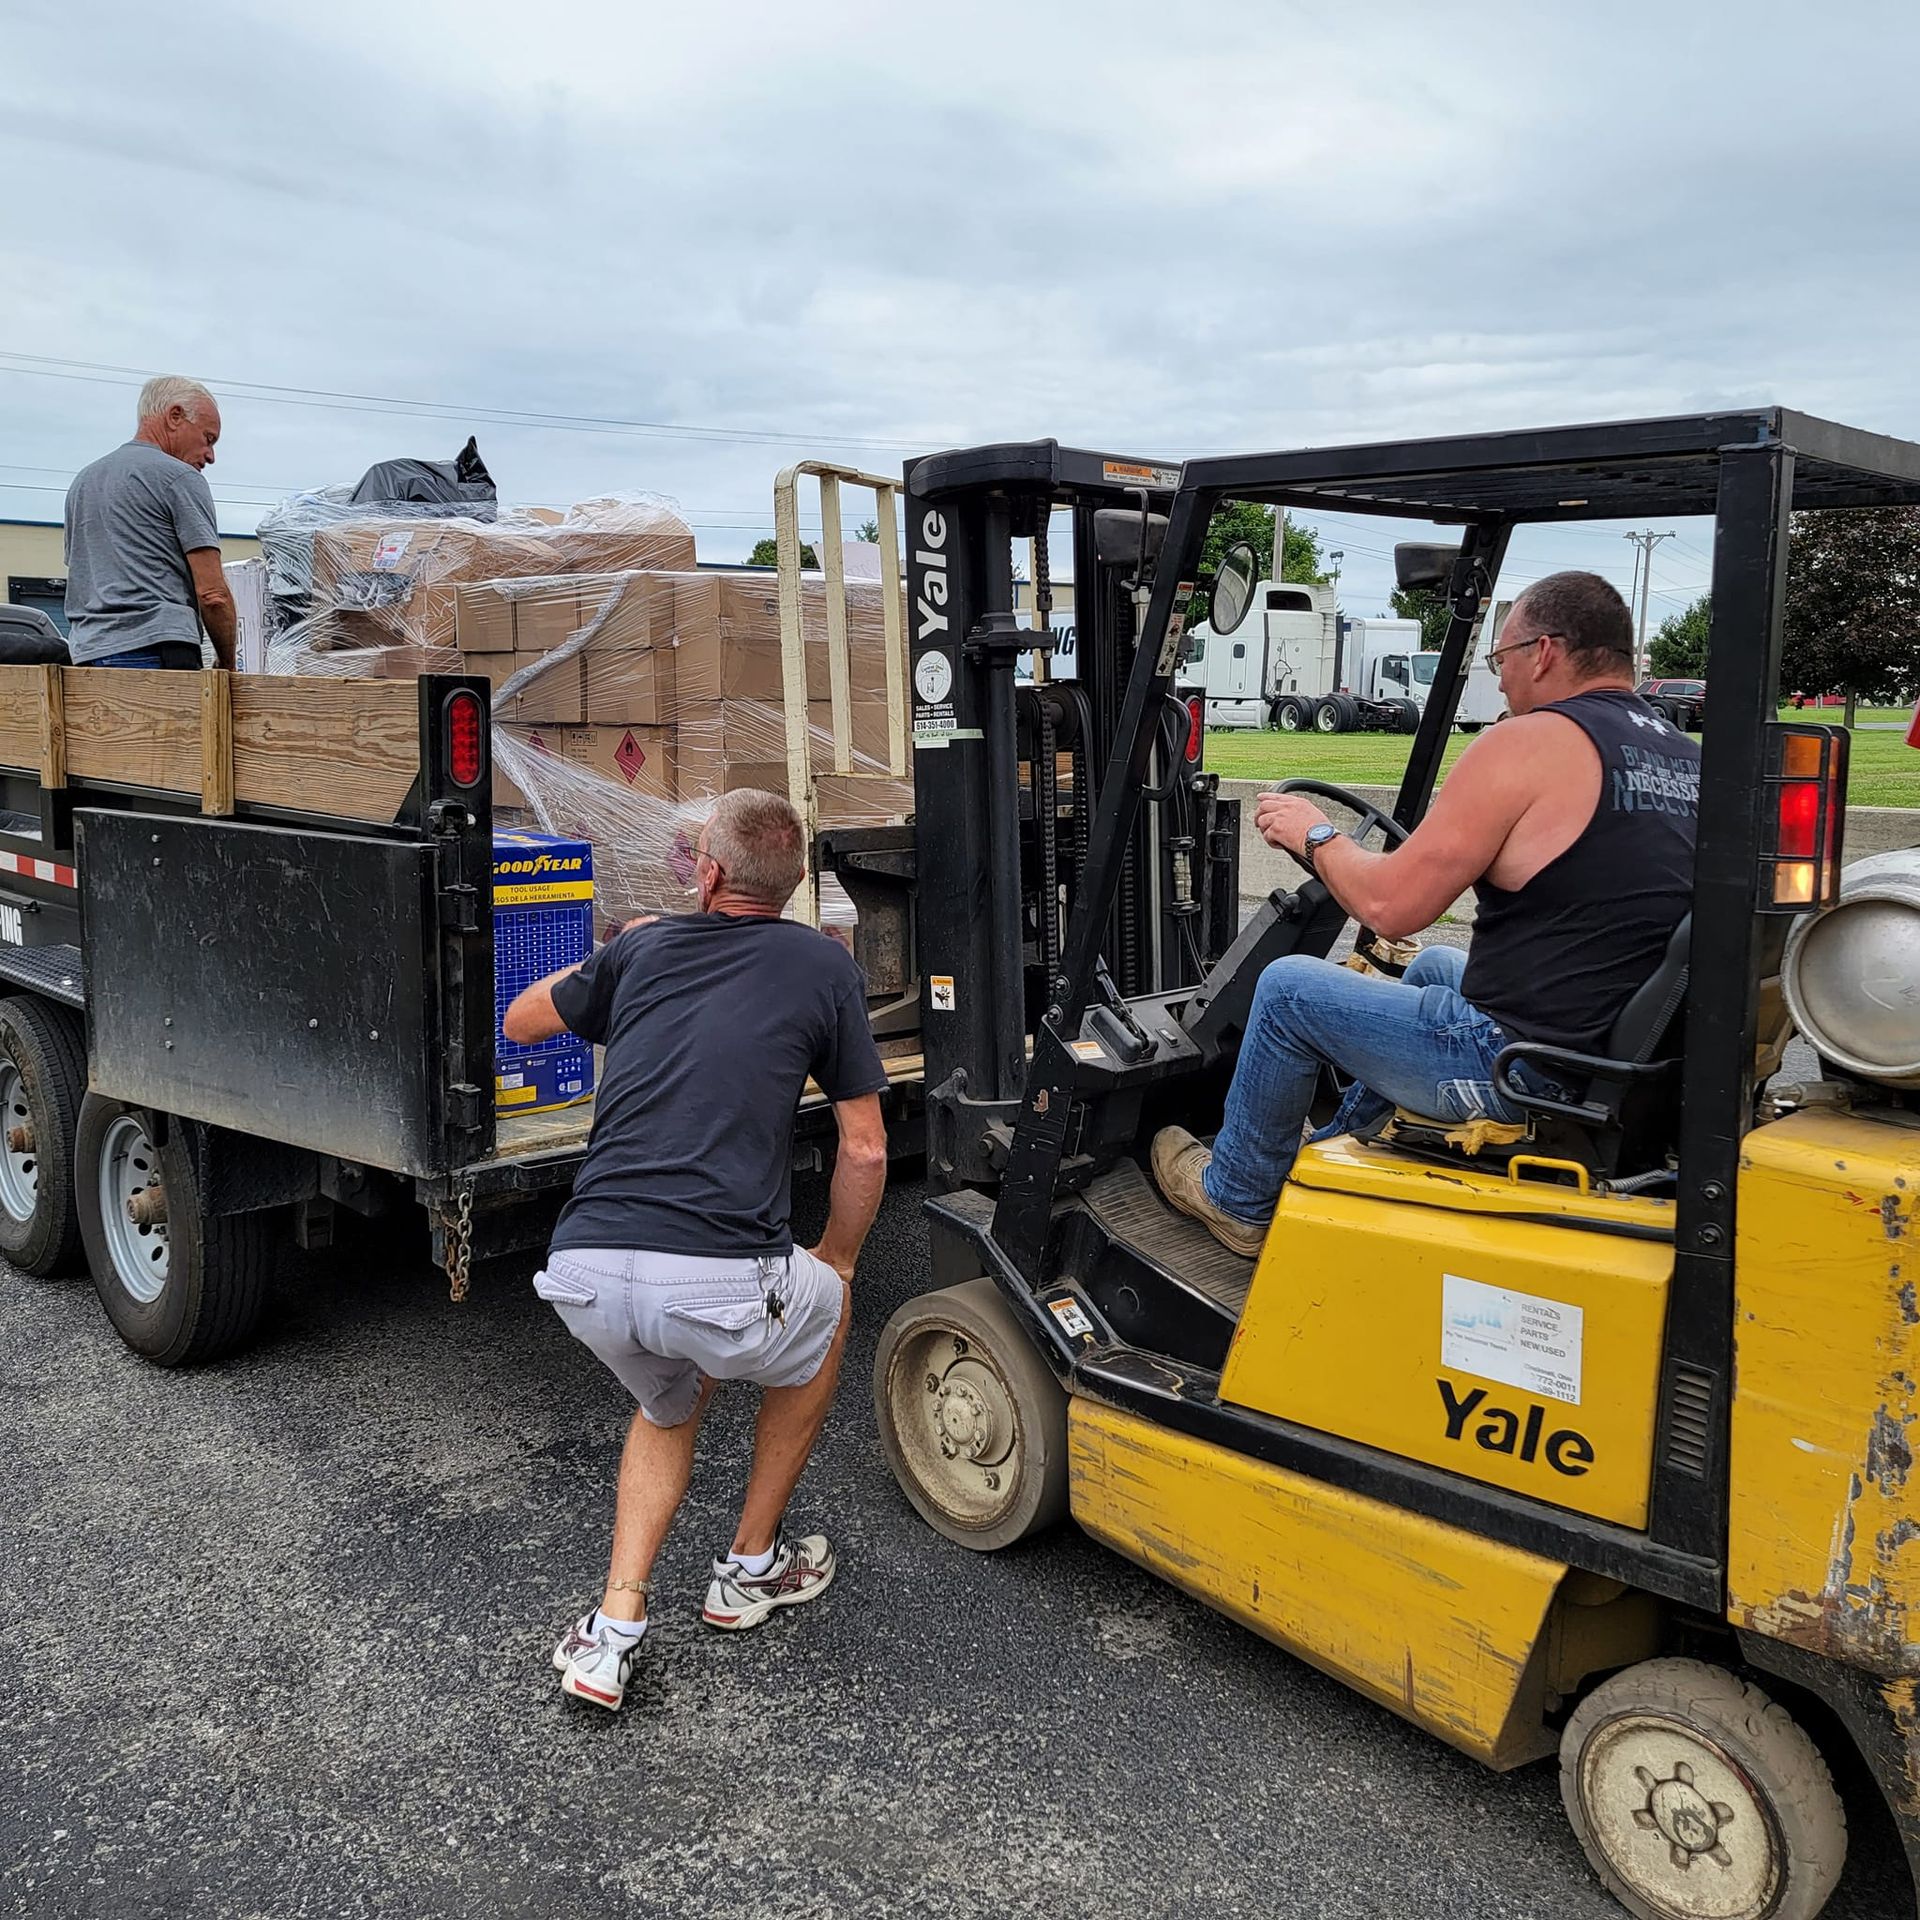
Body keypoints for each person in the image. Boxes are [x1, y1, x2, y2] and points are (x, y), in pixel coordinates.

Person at [1152, 570, 1700, 1255]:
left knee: (1288, 990)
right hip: (1606, 1050)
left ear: (1546, 652)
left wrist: (1314, 835)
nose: (1499, 679)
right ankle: (1337, 1144)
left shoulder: (1528, 744)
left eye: (1502, 659)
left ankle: (1238, 1195)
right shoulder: (1680, 755)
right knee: (1439, 966)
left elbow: (1390, 906)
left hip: (1519, 1067)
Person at [502, 789, 890, 1711]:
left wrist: (622, 951)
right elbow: (867, 1148)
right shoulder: (821, 965)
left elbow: (520, 1022)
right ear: (792, 887)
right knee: (823, 1310)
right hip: (718, 1279)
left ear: (707, 874)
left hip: (586, 1274)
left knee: (670, 1399)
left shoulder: (639, 950)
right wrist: (835, 1257)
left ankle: (613, 1628)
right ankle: (750, 1567)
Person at [63, 376, 235, 670]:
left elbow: (84, 573)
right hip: (158, 650)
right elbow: (212, 595)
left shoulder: (83, 482)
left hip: (87, 656)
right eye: (208, 439)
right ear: (175, 416)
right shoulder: (180, 478)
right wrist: (228, 664)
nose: (211, 456)